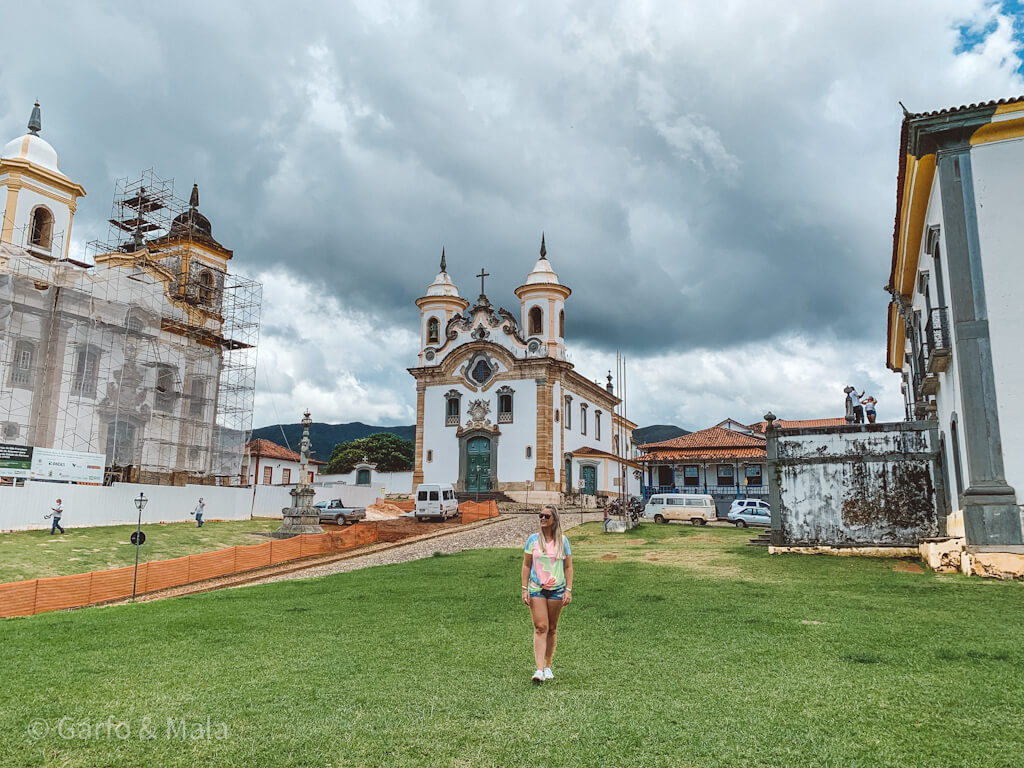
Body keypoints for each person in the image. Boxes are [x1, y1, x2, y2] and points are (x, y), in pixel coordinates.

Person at [521, 504, 573, 684]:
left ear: (554, 520)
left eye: (546, 516)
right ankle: (538, 669)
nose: (542, 519)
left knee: (551, 628)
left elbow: (568, 566)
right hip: (536, 589)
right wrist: (524, 588)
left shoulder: (563, 541)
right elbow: (526, 565)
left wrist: (568, 589)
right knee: (540, 627)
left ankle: (548, 666)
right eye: (540, 515)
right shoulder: (532, 540)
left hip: (557, 589)